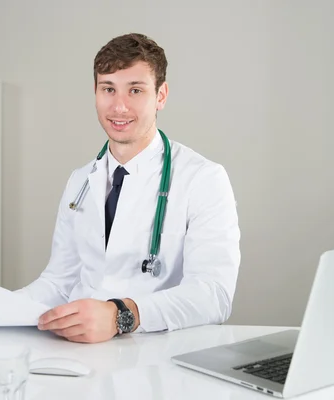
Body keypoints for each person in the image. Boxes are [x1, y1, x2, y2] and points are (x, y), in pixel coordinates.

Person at [16, 33, 241, 344]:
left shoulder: (203, 179)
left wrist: (121, 314)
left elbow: (214, 295)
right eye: (108, 89)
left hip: (157, 355)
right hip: (79, 352)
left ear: (161, 95)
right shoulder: (80, 180)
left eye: (135, 90)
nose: (119, 106)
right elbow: (59, 282)